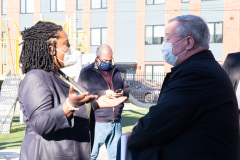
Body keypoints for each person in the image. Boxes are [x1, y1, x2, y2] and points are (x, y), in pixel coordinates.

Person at [125, 15, 239, 160]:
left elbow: (157, 125)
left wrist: (134, 134)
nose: (163, 44)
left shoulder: (196, 73)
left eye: (167, 38)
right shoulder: (203, 68)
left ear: (189, 42)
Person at [18, 21, 127, 160]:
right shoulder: (35, 78)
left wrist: (97, 102)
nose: (70, 48)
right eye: (66, 43)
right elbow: (40, 122)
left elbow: (72, 101)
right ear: (51, 48)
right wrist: (69, 106)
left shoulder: (58, 74)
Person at [78, 44, 130, 160]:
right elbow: (82, 95)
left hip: (116, 122)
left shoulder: (116, 71)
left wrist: (122, 92)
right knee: (91, 155)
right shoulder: (86, 72)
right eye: (105, 60)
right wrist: (104, 93)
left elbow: (127, 89)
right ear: (97, 58)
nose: (109, 63)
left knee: (116, 156)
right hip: (97, 122)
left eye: (110, 60)